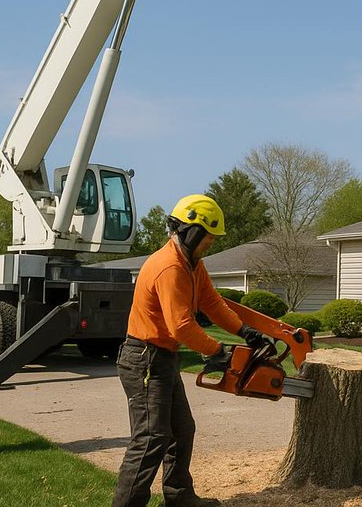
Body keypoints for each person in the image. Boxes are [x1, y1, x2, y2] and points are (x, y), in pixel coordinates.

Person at [112, 194, 273, 507]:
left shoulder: (191, 264)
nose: (209, 244)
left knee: (182, 430)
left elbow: (212, 303)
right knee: (151, 438)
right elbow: (182, 326)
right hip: (144, 359)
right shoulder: (169, 267)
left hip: (163, 358)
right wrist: (218, 351)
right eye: (208, 238)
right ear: (191, 231)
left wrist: (245, 331)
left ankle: (179, 497)